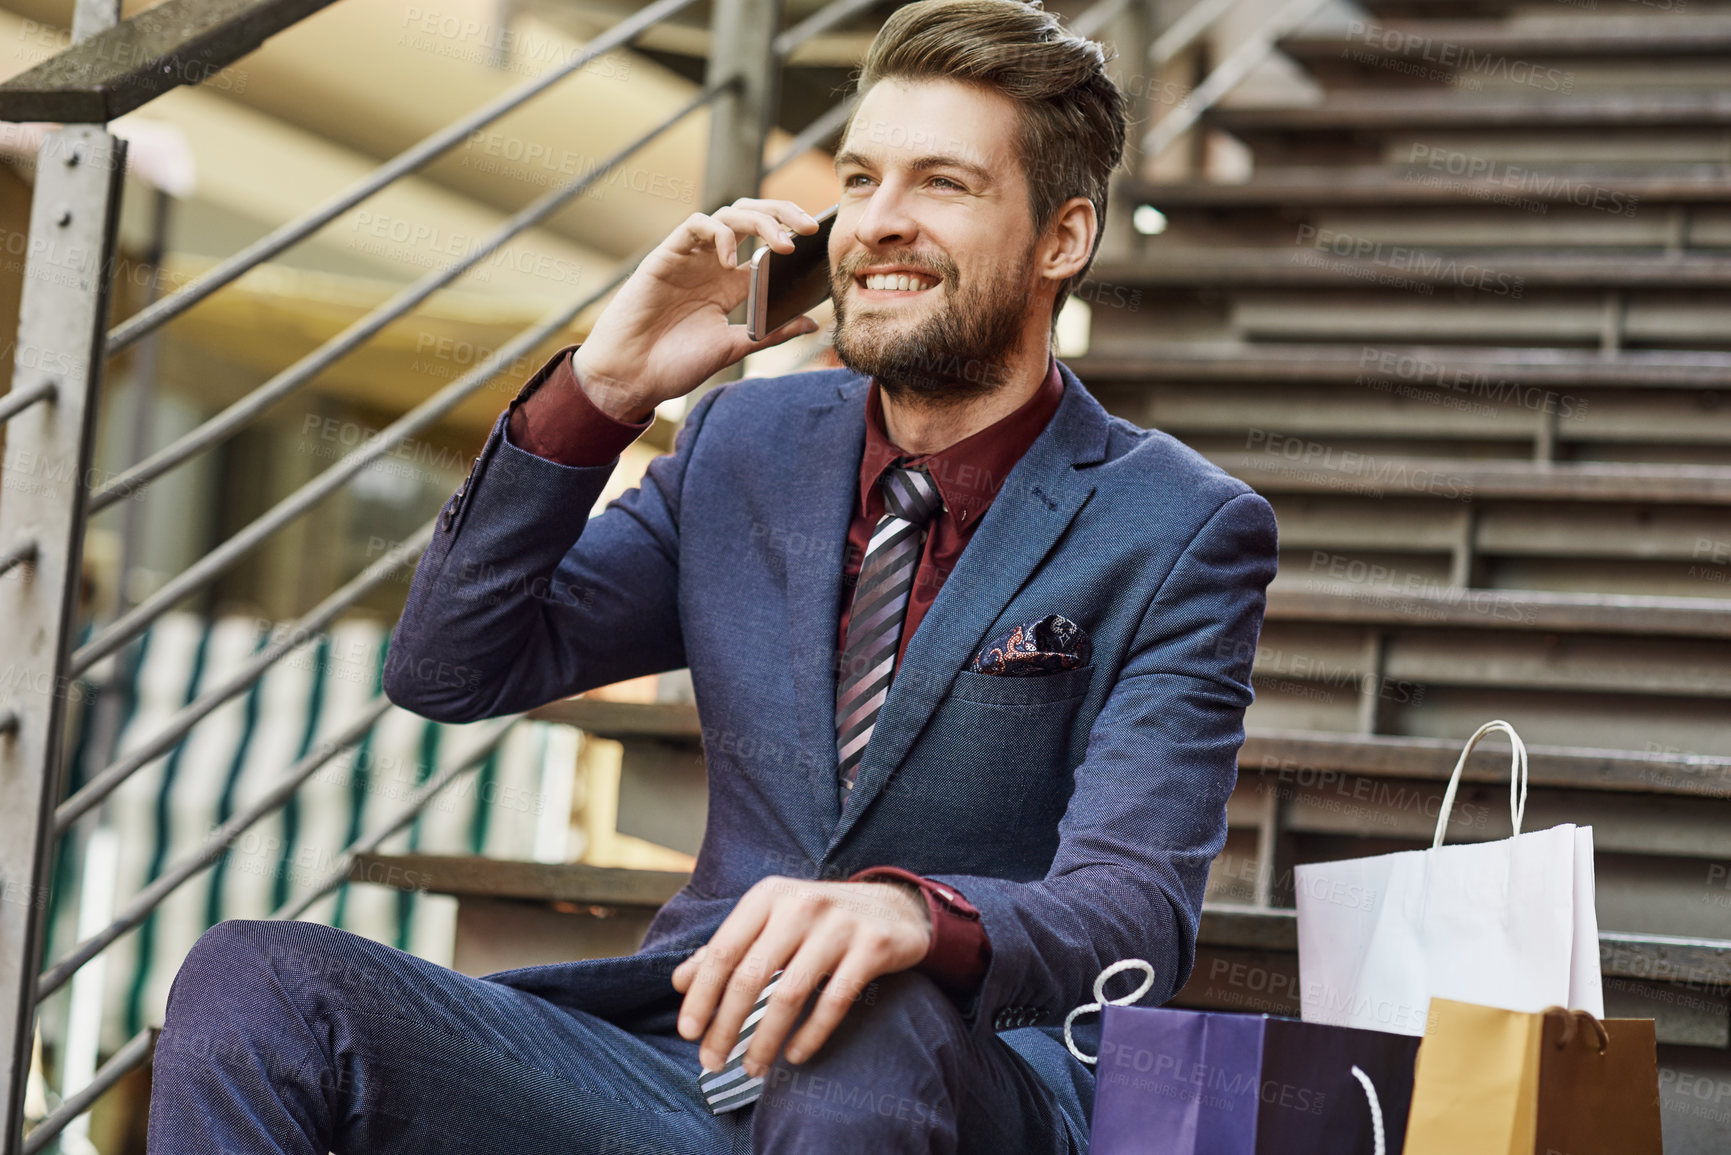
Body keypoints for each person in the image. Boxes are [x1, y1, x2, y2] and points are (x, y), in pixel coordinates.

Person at [146, 2, 1277, 1152]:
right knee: (259, 984)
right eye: (862, 178)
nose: (879, 223)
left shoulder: (1179, 526)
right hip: (691, 1055)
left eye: (942, 184)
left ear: (1063, 237)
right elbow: (446, 666)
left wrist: (904, 918)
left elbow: (1130, 911)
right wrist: (605, 387)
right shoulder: (747, 445)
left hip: (955, 1075)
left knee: (862, 1021)